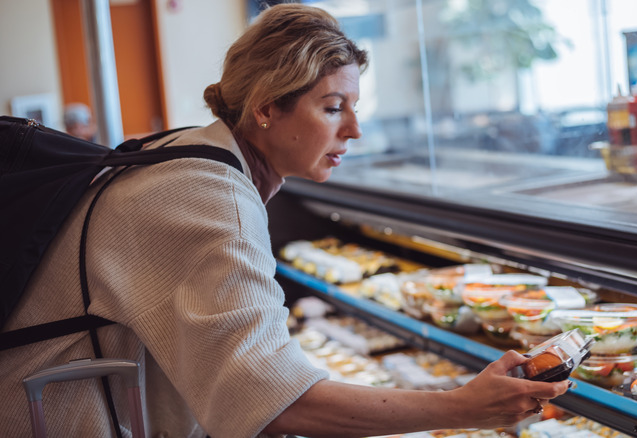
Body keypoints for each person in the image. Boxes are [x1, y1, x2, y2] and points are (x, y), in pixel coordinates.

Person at [0, 4, 569, 437]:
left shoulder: (184, 151)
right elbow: (275, 405)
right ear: (267, 108)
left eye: (355, 106)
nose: (354, 130)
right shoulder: (203, 196)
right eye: (332, 107)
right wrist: (463, 407)